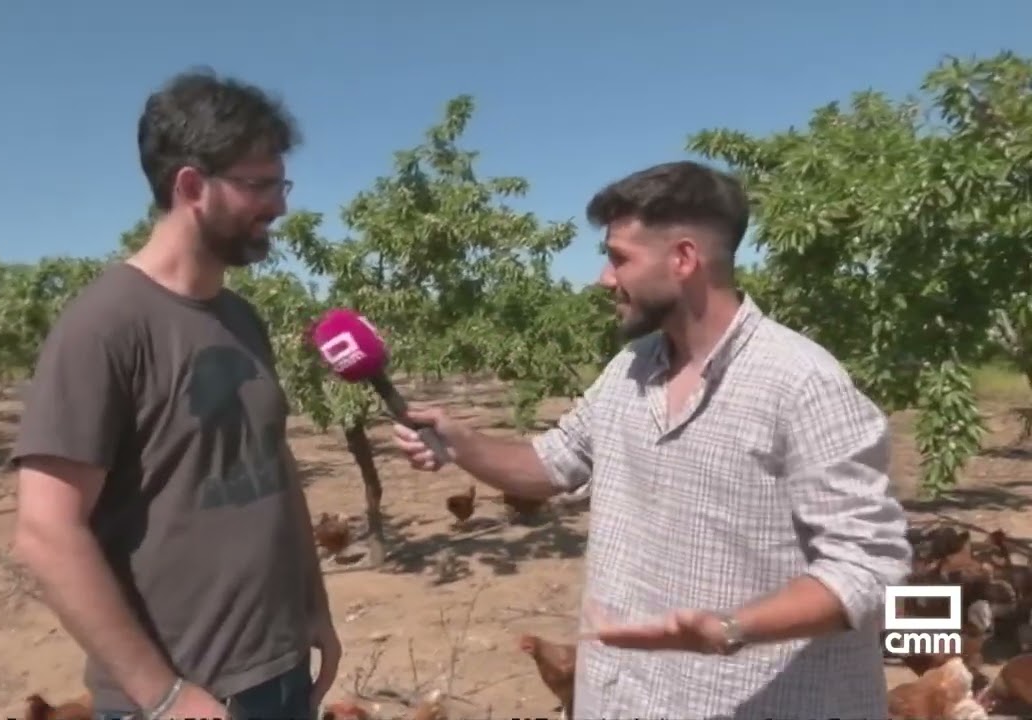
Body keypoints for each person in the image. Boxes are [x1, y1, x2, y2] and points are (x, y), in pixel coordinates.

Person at [391, 161, 913, 718]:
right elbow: (553, 463)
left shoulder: (802, 383)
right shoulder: (630, 368)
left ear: (683, 259)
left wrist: (730, 627)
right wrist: (460, 442)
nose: (604, 279)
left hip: (753, 702)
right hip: (627, 697)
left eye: (619, 258)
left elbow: (867, 567)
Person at [9, 68, 339, 720]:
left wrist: (314, 606)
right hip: (184, 697)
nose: (278, 206)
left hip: (279, 672)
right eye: (258, 185)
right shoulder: (107, 324)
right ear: (191, 186)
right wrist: (164, 695)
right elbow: (45, 531)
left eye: (280, 184)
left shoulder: (241, 319)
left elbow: (274, 471)